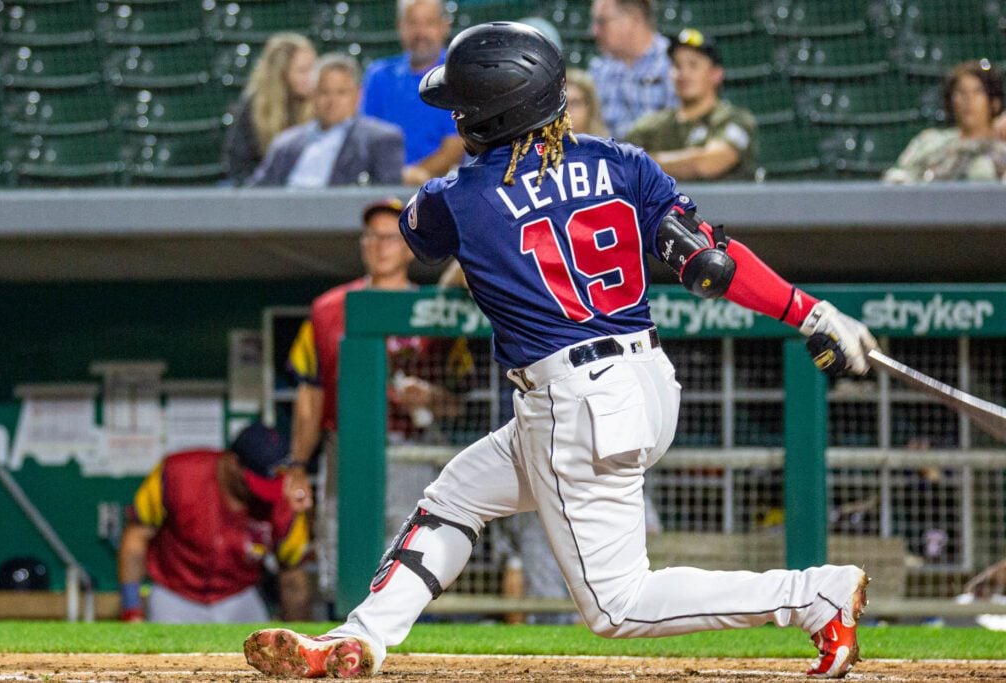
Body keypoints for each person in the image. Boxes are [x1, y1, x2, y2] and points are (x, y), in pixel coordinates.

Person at [244, 22, 874, 679]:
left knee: (616, 606)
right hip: (646, 384)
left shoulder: (455, 197)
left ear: (485, 116)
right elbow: (707, 261)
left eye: (463, 106)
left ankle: (812, 595)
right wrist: (811, 312)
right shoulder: (624, 162)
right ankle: (362, 638)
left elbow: (419, 231)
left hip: (575, 402)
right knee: (456, 496)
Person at [282, 197, 457, 608]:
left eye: (390, 237)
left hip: (411, 445)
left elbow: (462, 400)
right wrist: (297, 465)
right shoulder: (328, 308)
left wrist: (432, 396)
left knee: (410, 549)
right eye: (371, 236)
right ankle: (344, 632)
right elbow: (311, 392)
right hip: (345, 445)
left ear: (409, 246)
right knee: (341, 546)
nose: (380, 246)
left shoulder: (435, 307)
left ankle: (406, 645)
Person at [117, 422, 310, 623]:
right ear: (232, 461)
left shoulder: (283, 499)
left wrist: (299, 637)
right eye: (253, 482)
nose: (259, 493)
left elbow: (293, 575)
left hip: (239, 594)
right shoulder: (179, 473)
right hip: (173, 594)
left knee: (260, 648)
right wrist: (131, 609)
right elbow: (136, 537)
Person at [248, 54, 405, 187]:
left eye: (341, 92)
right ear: (313, 96)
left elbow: (386, 200)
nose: (332, 101)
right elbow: (256, 194)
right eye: (324, 92)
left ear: (358, 96)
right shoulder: (285, 145)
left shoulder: (380, 140)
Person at [625, 28, 757, 181]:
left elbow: (708, 164)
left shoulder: (734, 118)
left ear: (716, 74)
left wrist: (644, 164)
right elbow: (620, 164)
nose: (683, 73)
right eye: (677, 65)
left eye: (693, 65)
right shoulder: (651, 126)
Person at [360, 0, 463, 185]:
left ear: (444, 26)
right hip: (381, 188)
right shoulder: (378, 75)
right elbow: (364, 139)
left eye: (428, 23)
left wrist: (416, 174)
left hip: (439, 188)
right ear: (400, 27)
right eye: (412, 23)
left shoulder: (459, 73)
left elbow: (457, 146)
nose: (420, 33)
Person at [883, 60, 1006, 183]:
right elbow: (895, 180)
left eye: (977, 92)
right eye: (961, 92)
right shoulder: (928, 142)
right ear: (951, 102)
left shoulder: (1001, 148)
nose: (968, 99)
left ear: (994, 102)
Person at [224, 33, 317, 185]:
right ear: (281, 74)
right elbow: (240, 166)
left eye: (314, 68)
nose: (312, 77)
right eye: (303, 70)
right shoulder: (253, 107)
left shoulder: (323, 103)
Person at [589, 0, 678, 139]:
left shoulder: (672, 63)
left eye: (602, 22)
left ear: (635, 19)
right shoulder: (599, 69)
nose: (594, 31)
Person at [566, 68, 610, 137]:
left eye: (575, 103)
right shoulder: (545, 144)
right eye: (563, 103)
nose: (567, 109)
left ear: (590, 107)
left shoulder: (603, 145)